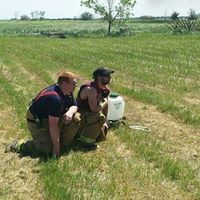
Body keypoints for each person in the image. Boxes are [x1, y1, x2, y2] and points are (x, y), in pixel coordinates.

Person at [6, 71, 80, 158]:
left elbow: (74, 105)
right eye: (73, 83)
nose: (76, 86)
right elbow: (53, 126)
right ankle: (20, 145)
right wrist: (56, 150)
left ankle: (60, 143)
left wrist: (70, 112)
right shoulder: (54, 98)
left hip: (53, 118)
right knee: (46, 149)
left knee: (76, 118)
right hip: (38, 121)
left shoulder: (67, 91)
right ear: (64, 83)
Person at [76, 67, 114, 149]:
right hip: (79, 115)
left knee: (102, 138)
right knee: (98, 117)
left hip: (90, 115)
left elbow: (105, 106)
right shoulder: (91, 89)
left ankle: (81, 135)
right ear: (99, 77)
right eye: (107, 75)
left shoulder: (104, 89)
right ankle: (85, 143)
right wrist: (105, 102)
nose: (110, 77)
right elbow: (94, 109)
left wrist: (105, 121)